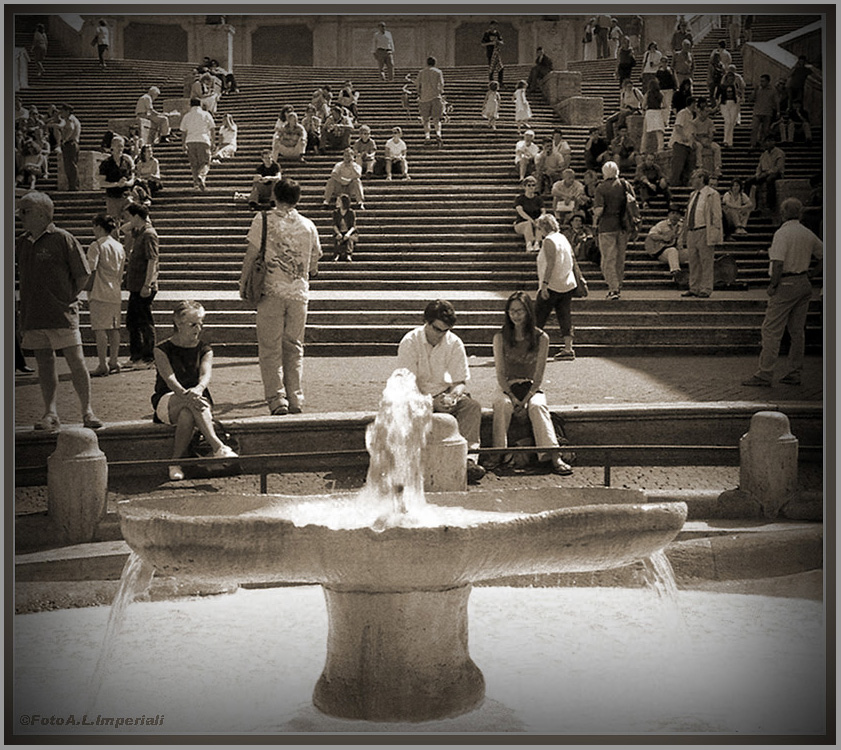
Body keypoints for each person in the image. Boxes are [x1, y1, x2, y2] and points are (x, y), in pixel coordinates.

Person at [15, 191, 102, 431]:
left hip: (62, 314)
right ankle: (50, 412)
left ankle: (87, 411)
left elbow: (83, 275)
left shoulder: (63, 239)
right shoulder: (21, 242)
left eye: (25, 211)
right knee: (44, 363)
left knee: (76, 362)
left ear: (43, 214)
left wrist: (68, 298)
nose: (19, 215)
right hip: (33, 315)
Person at [240, 178, 321, 415]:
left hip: (271, 291)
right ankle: (296, 397)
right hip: (298, 294)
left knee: (269, 347)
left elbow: (251, 253)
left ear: (275, 195)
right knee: (294, 347)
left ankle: (277, 399)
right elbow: (314, 263)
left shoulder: (263, 219)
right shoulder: (308, 225)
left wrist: (243, 280)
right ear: (298, 199)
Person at [396, 299, 486, 484]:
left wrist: (453, 396)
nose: (441, 335)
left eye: (446, 331)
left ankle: (469, 460)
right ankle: (407, 463)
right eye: (437, 330)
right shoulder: (409, 342)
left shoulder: (454, 342)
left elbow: (460, 381)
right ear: (426, 322)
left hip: (445, 395)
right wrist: (430, 402)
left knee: (472, 407)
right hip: (416, 396)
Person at [152, 300, 238, 481]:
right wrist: (185, 394)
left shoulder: (204, 349)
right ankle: (218, 447)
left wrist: (197, 390)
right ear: (178, 323)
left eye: (201, 324)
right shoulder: (161, 349)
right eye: (193, 324)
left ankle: (175, 462)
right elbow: (169, 379)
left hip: (197, 399)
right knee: (190, 405)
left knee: (187, 414)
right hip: (169, 400)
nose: (198, 329)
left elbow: (205, 376)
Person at [741, 198, 822, 388]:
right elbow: (825, 255)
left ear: (783, 213)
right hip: (803, 282)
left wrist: (773, 284)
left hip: (785, 282)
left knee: (771, 330)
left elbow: (777, 263)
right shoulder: (807, 233)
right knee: (797, 331)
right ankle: (795, 371)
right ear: (800, 213)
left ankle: (765, 372)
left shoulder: (782, 233)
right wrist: (812, 273)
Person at [492, 291, 573, 475]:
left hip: (531, 387)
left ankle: (554, 456)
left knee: (537, 407)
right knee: (502, 405)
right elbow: (500, 374)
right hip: (507, 386)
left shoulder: (541, 338)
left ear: (528, 312)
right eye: (512, 311)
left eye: (520, 311)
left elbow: (538, 377)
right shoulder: (500, 337)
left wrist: (526, 400)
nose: (516, 315)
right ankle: (498, 453)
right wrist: (513, 398)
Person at [534, 214, 579, 364]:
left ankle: (532, 348)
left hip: (552, 285)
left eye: (539, 228)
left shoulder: (549, 241)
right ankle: (568, 348)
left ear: (543, 227)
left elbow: (550, 263)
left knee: (538, 317)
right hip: (566, 283)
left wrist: (545, 285)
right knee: (565, 315)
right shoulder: (562, 238)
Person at [85, 214, 125, 377]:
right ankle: (113, 360)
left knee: (100, 328)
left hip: (99, 291)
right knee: (114, 328)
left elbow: (91, 270)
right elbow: (121, 272)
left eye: (94, 227)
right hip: (114, 290)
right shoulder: (118, 246)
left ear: (99, 227)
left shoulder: (96, 246)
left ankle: (102, 363)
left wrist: (85, 288)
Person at [122, 203, 159, 368]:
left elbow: (152, 260)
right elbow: (123, 229)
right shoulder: (140, 232)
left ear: (136, 216)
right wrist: (135, 220)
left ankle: (149, 357)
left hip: (143, 285)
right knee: (132, 321)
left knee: (144, 321)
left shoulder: (149, 234)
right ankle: (136, 356)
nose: (127, 220)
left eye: (129, 216)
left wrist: (147, 284)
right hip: (136, 285)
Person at [680, 168, 723, 298]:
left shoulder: (712, 194)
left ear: (701, 179)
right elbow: (688, 213)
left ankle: (706, 287)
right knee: (693, 261)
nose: (692, 180)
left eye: (695, 178)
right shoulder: (693, 194)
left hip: (704, 229)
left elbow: (716, 215)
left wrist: (715, 232)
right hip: (693, 230)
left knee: (706, 260)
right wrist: (684, 232)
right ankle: (694, 287)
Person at [593, 160, 631, 300]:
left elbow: (599, 210)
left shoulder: (601, 188)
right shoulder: (625, 185)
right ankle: (618, 285)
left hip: (607, 227)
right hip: (623, 226)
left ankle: (613, 288)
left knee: (608, 259)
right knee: (620, 258)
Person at [179, 97, 216, 192]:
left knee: (194, 164)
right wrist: (213, 142)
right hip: (203, 140)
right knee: (205, 162)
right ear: (200, 104)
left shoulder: (187, 116)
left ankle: (196, 184)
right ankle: (201, 176)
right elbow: (212, 129)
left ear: (190, 105)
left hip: (190, 141)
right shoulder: (206, 114)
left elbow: (183, 131)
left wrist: (183, 144)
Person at [644, 203, 687, 281]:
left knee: (693, 252)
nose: (674, 216)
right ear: (668, 215)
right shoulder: (662, 225)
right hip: (661, 251)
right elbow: (651, 235)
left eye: (677, 214)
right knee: (672, 251)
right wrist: (663, 237)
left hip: (677, 250)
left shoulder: (682, 227)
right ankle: (675, 272)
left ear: (680, 216)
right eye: (672, 213)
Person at [745, 134, 786, 213]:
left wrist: (767, 173)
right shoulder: (764, 154)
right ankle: (746, 202)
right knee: (748, 181)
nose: (767, 143)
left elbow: (778, 168)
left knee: (770, 180)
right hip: (763, 173)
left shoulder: (780, 153)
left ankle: (770, 204)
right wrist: (757, 174)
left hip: (776, 174)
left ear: (774, 142)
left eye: (770, 141)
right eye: (766, 141)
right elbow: (759, 166)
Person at [98, 134, 135, 221]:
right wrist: (116, 184)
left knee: (130, 223)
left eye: (122, 146)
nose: (120, 148)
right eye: (118, 146)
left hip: (126, 196)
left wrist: (126, 183)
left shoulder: (126, 161)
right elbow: (102, 183)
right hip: (113, 197)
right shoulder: (106, 163)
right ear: (112, 147)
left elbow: (132, 179)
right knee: (114, 225)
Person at [668, 96, 697, 187]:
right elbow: (678, 126)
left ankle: (684, 182)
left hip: (688, 144)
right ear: (691, 104)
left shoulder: (692, 115)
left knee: (688, 165)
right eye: (695, 104)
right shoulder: (683, 113)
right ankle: (674, 183)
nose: (696, 106)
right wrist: (683, 137)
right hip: (680, 142)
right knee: (678, 165)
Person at [691, 98, 722, 181]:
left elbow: (711, 133)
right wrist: (702, 141)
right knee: (699, 146)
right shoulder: (694, 122)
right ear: (701, 112)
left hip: (707, 140)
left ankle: (717, 167)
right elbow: (694, 135)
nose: (707, 113)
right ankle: (699, 166)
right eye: (705, 111)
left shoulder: (710, 121)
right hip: (698, 140)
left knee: (717, 147)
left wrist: (709, 141)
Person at [417, 56, 445, 144]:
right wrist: (440, 92)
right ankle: (438, 134)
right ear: (435, 63)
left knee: (426, 119)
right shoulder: (438, 72)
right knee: (437, 119)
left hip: (424, 98)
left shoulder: (421, 72)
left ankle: (427, 136)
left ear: (427, 63)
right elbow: (441, 84)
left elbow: (418, 84)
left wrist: (419, 93)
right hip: (435, 97)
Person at [605, 77, 643, 142]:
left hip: (634, 109)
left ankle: (619, 133)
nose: (629, 88)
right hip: (626, 109)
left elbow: (643, 101)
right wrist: (624, 110)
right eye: (628, 87)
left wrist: (641, 110)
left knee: (622, 115)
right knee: (609, 120)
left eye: (630, 86)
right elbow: (621, 106)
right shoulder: (623, 93)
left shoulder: (635, 91)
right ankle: (610, 139)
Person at [514, 175, 544, 252]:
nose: (531, 187)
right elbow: (521, 212)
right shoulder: (519, 199)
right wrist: (531, 221)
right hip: (521, 224)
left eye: (533, 185)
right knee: (528, 224)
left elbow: (543, 211)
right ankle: (529, 244)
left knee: (539, 223)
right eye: (529, 185)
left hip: (536, 223)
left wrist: (539, 218)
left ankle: (537, 243)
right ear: (524, 187)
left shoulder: (538, 199)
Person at [750, 74, 779, 149]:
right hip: (757, 111)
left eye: (763, 81)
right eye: (760, 81)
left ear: (768, 81)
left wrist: (778, 111)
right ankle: (753, 144)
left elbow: (776, 101)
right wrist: (754, 91)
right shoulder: (758, 89)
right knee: (754, 128)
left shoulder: (773, 90)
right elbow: (750, 99)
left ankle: (763, 145)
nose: (761, 83)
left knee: (766, 130)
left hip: (767, 112)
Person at [58, 103, 81, 191]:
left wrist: (65, 139)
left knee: (70, 166)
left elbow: (71, 129)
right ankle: (73, 186)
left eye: (63, 111)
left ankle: (74, 186)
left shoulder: (70, 119)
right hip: (73, 144)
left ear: (67, 111)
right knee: (70, 166)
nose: (61, 113)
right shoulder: (73, 119)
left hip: (70, 144)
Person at [715, 79, 742, 148]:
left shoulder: (736, 99)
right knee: (728, 121)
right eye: (728, 92)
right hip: (725, 105)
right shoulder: (723, 99)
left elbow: (740, 101)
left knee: (731, 123)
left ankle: (729, 141)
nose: (729, 93)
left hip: (733, 105)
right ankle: (726, 140)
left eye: (731, 92)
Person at [641, 79, 666, 154]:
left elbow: (643, 105)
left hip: (649, 112)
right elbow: (665, 105)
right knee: (659, 132)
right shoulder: (660, 94)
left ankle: (643, 149)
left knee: (645, 133)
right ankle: (660, 149)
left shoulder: (648, 94)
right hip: (658, 112)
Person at [331, 194, 357, 261]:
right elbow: (334, 224)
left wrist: (348, 234)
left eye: (339, 201)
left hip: (350, 232)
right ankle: (337, 254)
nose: (337, 202)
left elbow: (353, 226)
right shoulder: (335, 212)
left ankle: (348, 254)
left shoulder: (351, 212)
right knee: (337, 239)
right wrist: (338, 233)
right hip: (340, 231)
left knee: (350, 239)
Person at [481, 20, 504, 87]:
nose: (494, 27)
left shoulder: (497, 33)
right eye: (493, 25)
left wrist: (499, 42)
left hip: (497, 53)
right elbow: (482, 44)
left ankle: (500, 82)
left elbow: (502, 42)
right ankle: (491, 82)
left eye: (496, 25)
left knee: (501, 68)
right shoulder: (487, 33)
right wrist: (491, 43)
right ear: (490, 25)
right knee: (491, 68)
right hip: (490, 52)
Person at [656, 57, 678, 123]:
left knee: (668, 105)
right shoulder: (658, 72)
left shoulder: (670, 70)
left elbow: (674, 79)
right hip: (661, 89)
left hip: (669, 89)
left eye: (665, 62)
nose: (664, 63)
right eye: (662, 62)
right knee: (662, 105)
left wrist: (675, 87)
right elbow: (657, 81)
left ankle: (666, 121)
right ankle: (662, 120)